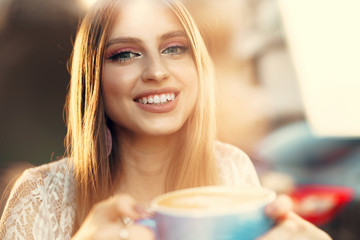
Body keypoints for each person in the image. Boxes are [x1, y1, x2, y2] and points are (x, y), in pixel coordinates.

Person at [0, 0, 331, 239]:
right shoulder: (38, 195)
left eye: (174, 48)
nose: (157, 72)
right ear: (94, 78)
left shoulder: (231, 168)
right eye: (125, 54)